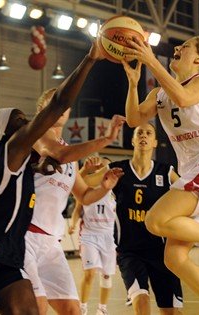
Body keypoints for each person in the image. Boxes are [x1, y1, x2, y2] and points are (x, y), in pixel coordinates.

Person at [0, 39, 106, 314]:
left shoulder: (28, 163)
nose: (28, 123)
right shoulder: (11, 148)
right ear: (7, 133)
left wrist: (81, 174)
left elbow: (52, 168)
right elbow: (60, 102)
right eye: (20, 120)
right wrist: (90, 59)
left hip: (7, 256)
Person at [121, 36, 199, 315]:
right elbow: (133, 119)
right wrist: (133, 83)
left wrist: (151, 61)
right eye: (178, 48)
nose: (178, 49)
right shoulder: (159, 93)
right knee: (174, 258)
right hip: (195, 172)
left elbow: (184, 98)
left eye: (185, 47)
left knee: (154, 220)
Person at [24, 73, 125, 313]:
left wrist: (104, 187)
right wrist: (107, 138)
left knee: (72, 309)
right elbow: (56, 153)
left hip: (51, 242)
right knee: (36, 307)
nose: (60, 108)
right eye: (54, 102)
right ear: (42, 108)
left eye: (64, 105)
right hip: (25, 235)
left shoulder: (71, 156)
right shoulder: (36, 135)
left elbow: (84, 196)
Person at [85, 123, 183, 315]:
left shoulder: (166, 171)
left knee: (170, 311)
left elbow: (188, 198)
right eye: (139, 133)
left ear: (155, 142)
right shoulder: (117, 169)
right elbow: (83, 186)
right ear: (133, 140)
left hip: (161, 251)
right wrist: (85, 170)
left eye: (148, 133)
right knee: (141, 302)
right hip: (130, 251)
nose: (144, 136)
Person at [69, 156, 117, 315]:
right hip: (89, 234)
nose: (101, 170)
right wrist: (73, 223)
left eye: (104, 167)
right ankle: (83, 307)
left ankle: (102, 309)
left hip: (108, 235)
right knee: (89, 273)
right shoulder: (86, 189)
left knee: (106, 276)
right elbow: (77, 208)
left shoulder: (114, 189)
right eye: (99, 168)